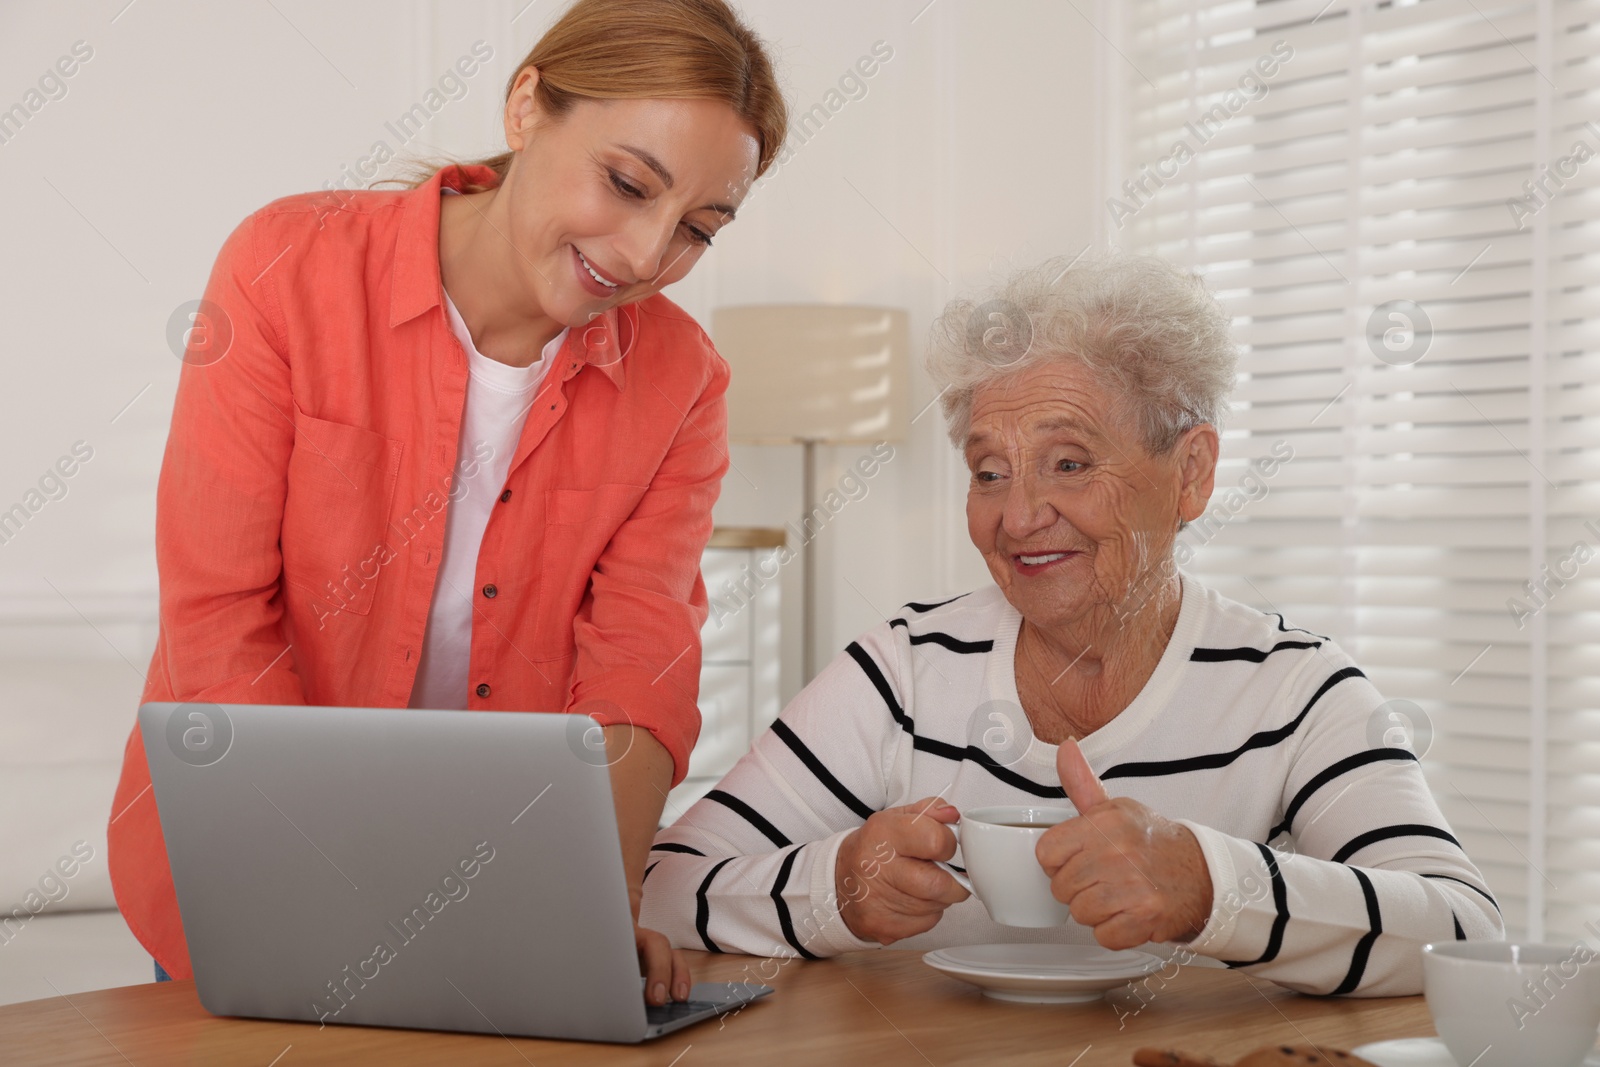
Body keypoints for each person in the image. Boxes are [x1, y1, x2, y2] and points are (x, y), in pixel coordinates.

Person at [107, 0, 786, 1008]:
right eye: (626, 182)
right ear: (526, 106)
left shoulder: (683, 380)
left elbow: (636, 672)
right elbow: (218, 615)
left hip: (495, 897)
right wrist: (334, 903)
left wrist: (587, 910)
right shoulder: (286, 266)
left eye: (696, 228)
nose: (646, 257)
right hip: (247, 868)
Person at [640, 254, 1504, 995]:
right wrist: (835, 889)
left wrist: (1211, 886)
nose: (1018, 517)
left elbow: (1466, 933)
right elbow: (658, 886)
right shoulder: (906, 668)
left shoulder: (1294, 689)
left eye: (1069, 462)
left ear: (1192, 472)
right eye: (988, 471)